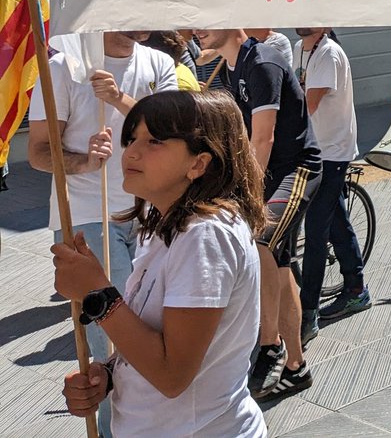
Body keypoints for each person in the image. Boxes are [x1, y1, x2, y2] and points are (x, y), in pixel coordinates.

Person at [55, 91, 267, 438]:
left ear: (198, 164)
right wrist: (108, 374)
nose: (131, 152)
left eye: (154, 141)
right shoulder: (168, 226)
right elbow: (155, 333)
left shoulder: (206, 235)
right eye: (132, 138)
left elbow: (172, 375)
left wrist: (97, 293)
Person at [28, 31, 177, 437]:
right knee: (114, 343)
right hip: (88, 217)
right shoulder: (63, 67)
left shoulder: (158, 63)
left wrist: (118, 99)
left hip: (151, 213)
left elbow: (176, 132)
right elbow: (38, 152)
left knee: (152, 330)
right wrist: (84, 162)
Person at [194, 28, 322, 400]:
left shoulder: (263, 63)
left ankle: (270, 344)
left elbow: (263, 138)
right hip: (269, 175)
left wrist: (245, 194)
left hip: (297, 170)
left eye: (206, 18)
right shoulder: (230, 67)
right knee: (280, 268)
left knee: (260, 240)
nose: (197, 28)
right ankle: (296, 367)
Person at [294, 28, 370, 352]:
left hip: (332, 153)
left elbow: (305, 105)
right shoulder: (298, 48)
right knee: (335, 220)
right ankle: (356, 288)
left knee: (315, 231)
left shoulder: (328, 53)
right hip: (314, 150)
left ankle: (307, 314)